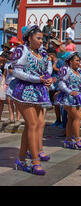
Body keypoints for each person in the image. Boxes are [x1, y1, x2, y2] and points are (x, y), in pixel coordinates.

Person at [7, 26, 53, 175]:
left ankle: (21, 160)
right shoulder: (22, 50)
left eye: (42, 39)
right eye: (38, 38)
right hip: (22, 90)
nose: (41, 41)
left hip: (38, 91)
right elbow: (16, 71)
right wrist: (36, 79)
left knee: (32, 125)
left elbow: (48, 69)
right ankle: (35, 161)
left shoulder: (42, 53)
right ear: (29, 38)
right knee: (33, 124)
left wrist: (48, 78)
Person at [55, 52, 81, 150]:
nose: (79, 62)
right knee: (78, 118)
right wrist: (70, 92)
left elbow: (79, 84)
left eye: (79, 60)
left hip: (77, 97)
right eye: (77, 60)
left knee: (71, 119)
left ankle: (68, 140)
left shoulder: (78, 71)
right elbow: (61, 84)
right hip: (69, 99)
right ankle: (77, 140)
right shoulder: (66, 70)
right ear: (70, 62)